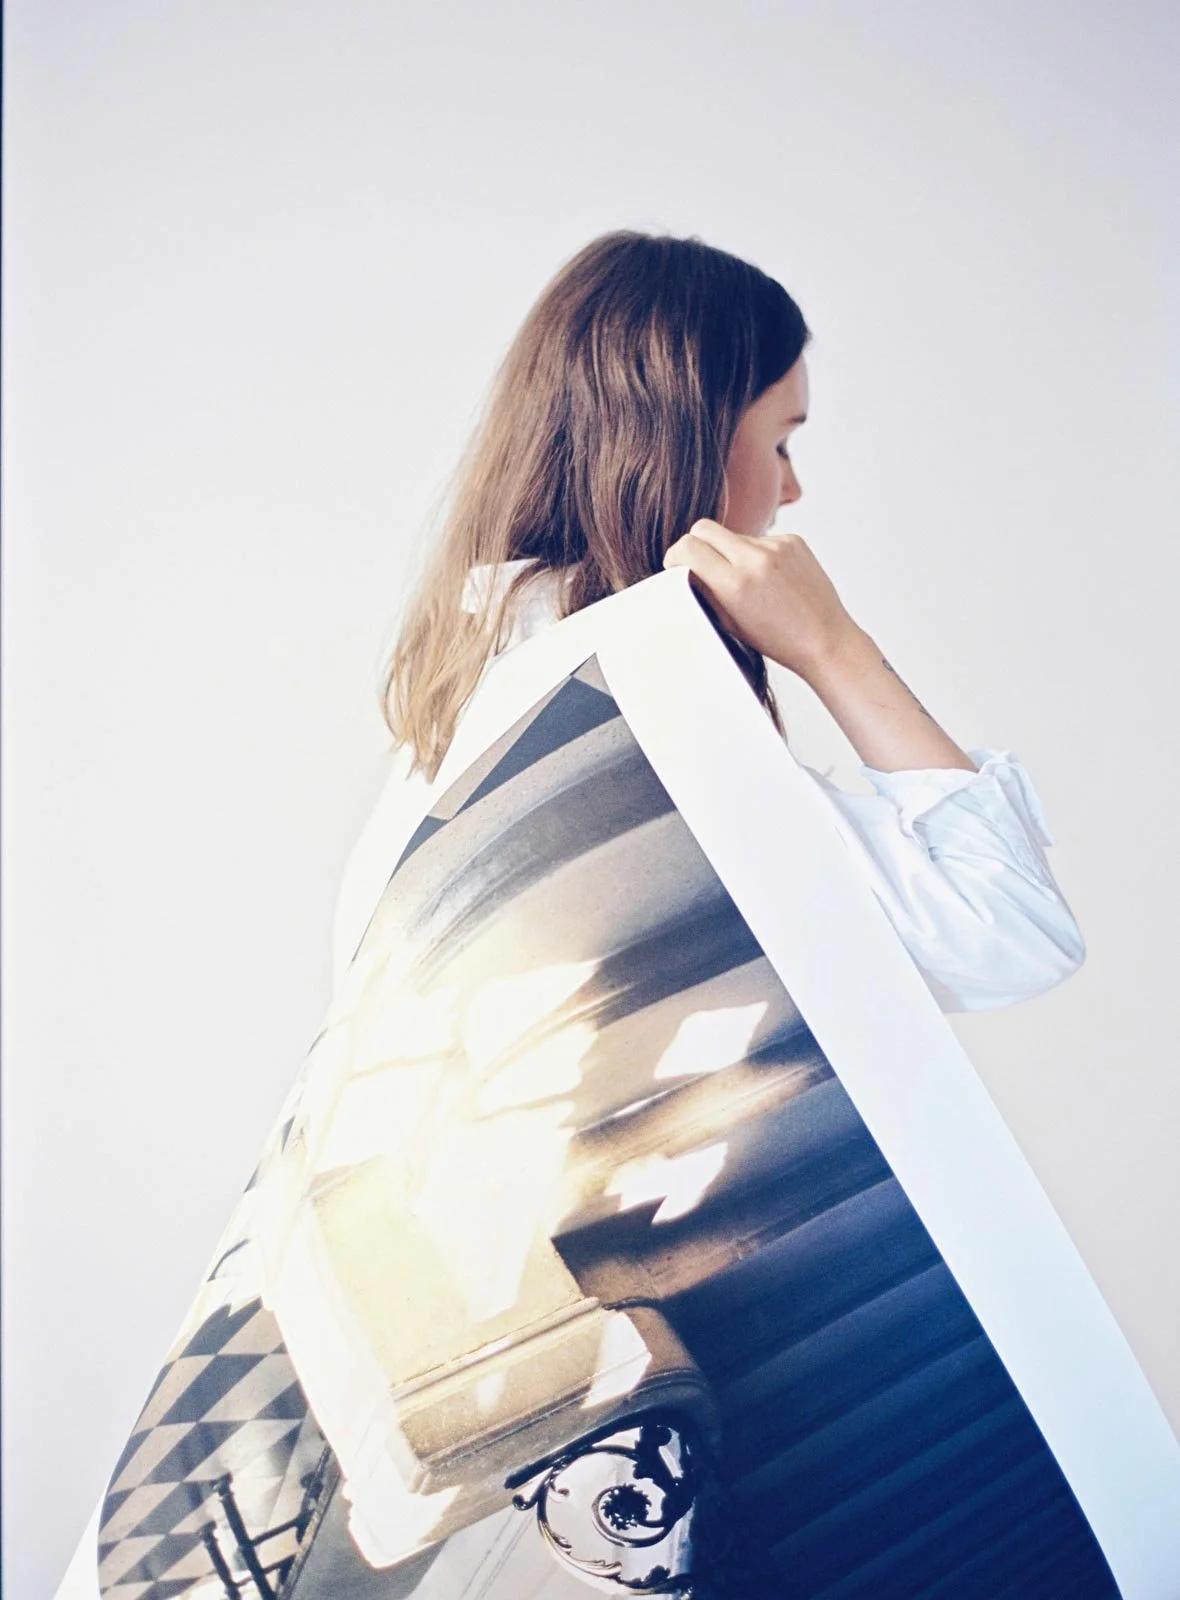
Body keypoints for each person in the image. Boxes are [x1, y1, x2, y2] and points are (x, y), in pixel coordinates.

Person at [338, 228, 1084, 1018]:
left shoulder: (483, 681)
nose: (791, 490)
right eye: (781, 442)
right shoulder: (632, 702)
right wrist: (833, 647)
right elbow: (1009, 931)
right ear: (690, 441)